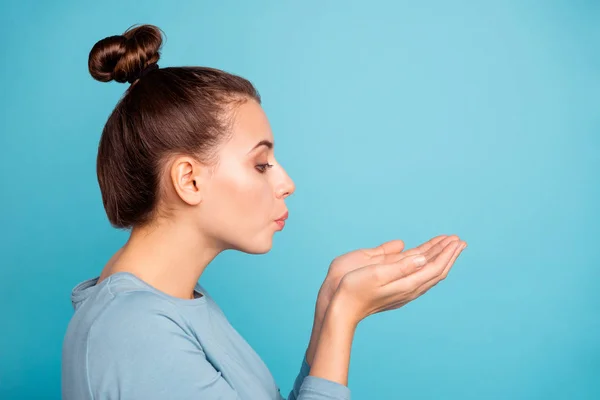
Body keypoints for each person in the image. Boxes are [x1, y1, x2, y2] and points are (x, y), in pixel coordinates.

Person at [61, 24, 467, 400]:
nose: (286, 182)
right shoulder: (135, 333)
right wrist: (344, 317)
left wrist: (329, 308)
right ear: (189, 180)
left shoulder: (170, 308)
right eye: (260, 164)